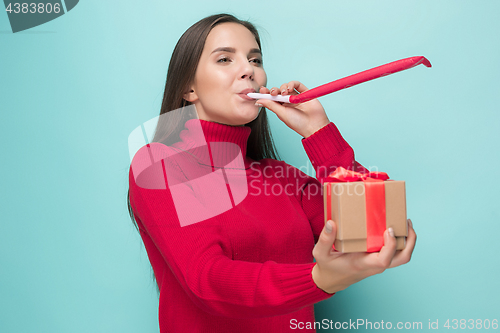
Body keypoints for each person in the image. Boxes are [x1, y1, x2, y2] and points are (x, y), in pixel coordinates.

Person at [127, 13, 416, 333]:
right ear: (188, 88)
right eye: (225, 59)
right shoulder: (161, 165)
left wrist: (319, 131)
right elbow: (207, 282)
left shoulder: (282, 178)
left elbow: (375, 232)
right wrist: (318, 279)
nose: (248, 70)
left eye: (255, 59)